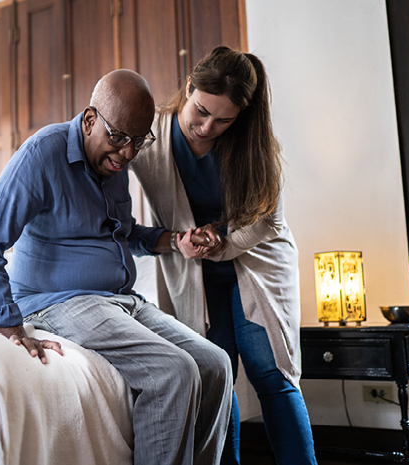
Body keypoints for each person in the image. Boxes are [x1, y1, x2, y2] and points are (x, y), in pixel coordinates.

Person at [0, 69, 233, 465]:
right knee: (173, 373)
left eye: (138, 142)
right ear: (90, 120)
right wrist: (8, 325)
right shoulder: (43, 154)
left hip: (120, 299)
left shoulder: (113, 167)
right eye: (119, 138)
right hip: (58, 301)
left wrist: (174, 240)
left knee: (215, 365)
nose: (127, 153)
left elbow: (123, 234)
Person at [130, 46, 317, 465]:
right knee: (217, 374)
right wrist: (171, 239)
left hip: (257, 261)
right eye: (200, 111)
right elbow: (109, 193)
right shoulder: (151, 136)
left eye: (223, 120)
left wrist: (220, 240)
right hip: (193, 267)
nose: (207, 127)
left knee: (270, 371)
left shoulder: (254, 144)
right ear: (189, 88)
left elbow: (267, 222)